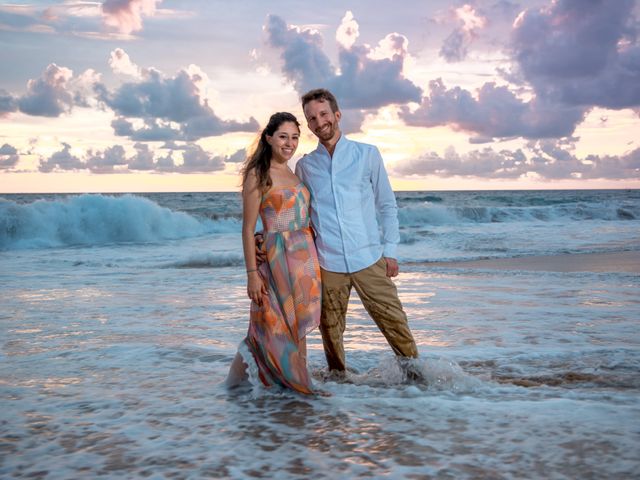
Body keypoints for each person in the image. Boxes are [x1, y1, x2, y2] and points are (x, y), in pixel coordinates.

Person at [294, 88, 420, 379]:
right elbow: (300, 215)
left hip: (369, 259)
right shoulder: (306, 167)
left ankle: (418, 386)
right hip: (328, 265)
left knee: (396, 325)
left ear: (337, 115)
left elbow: (387, 205)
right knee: (331, 335)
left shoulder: (367, 155)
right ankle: (340, 391)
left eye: (323, 114)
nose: (319, 122)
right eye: (311, 118)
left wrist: (390, 251)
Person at [226, 112, 322, 395]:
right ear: (268, 138)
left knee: (298, 325)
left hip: (304, 259)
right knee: (268, 324)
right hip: (276, 259)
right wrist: (251, 275)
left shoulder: (295, 172)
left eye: (294, 137)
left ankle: (298, 382)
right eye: (283, 136)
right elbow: (247, 229)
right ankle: (235, 388)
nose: (289, 143)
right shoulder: (259, 174)